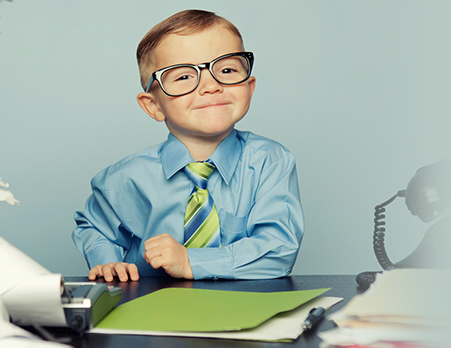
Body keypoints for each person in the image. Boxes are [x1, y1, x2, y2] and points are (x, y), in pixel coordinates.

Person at [72, 9, 304, 282]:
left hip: (245, 306)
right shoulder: (127, 176)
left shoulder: (271, 162)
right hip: (153, 311)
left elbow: (279, 247)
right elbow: (95, 227)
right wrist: (107, 262)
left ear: (249, 87)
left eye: (227, 70)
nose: (210, 85)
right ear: (154, 105)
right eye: (183, 76)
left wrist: (190, 261)